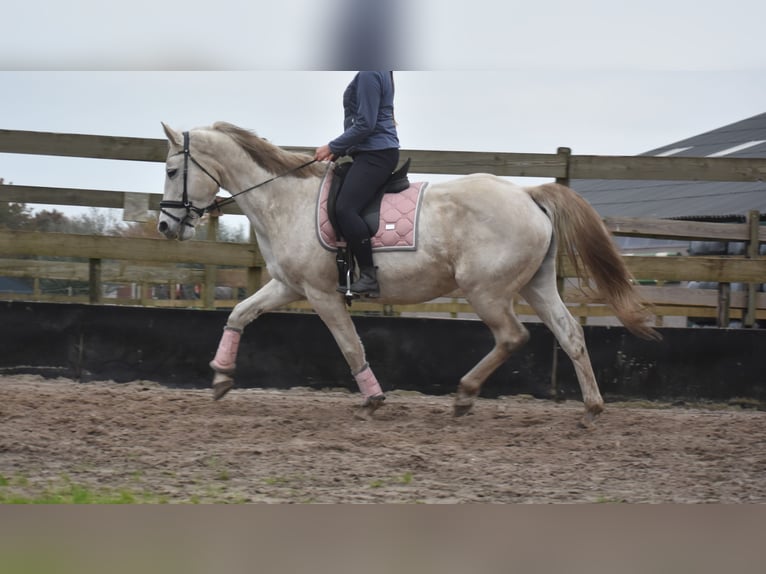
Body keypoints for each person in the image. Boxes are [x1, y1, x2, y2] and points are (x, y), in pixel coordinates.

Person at [315, 71, 400, 297]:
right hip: (372, 152)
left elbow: (365, 124)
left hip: (376, 154)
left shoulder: (369, 72)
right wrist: (342, 149)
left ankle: (369, 276)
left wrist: (333, 146)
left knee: (345, 209)